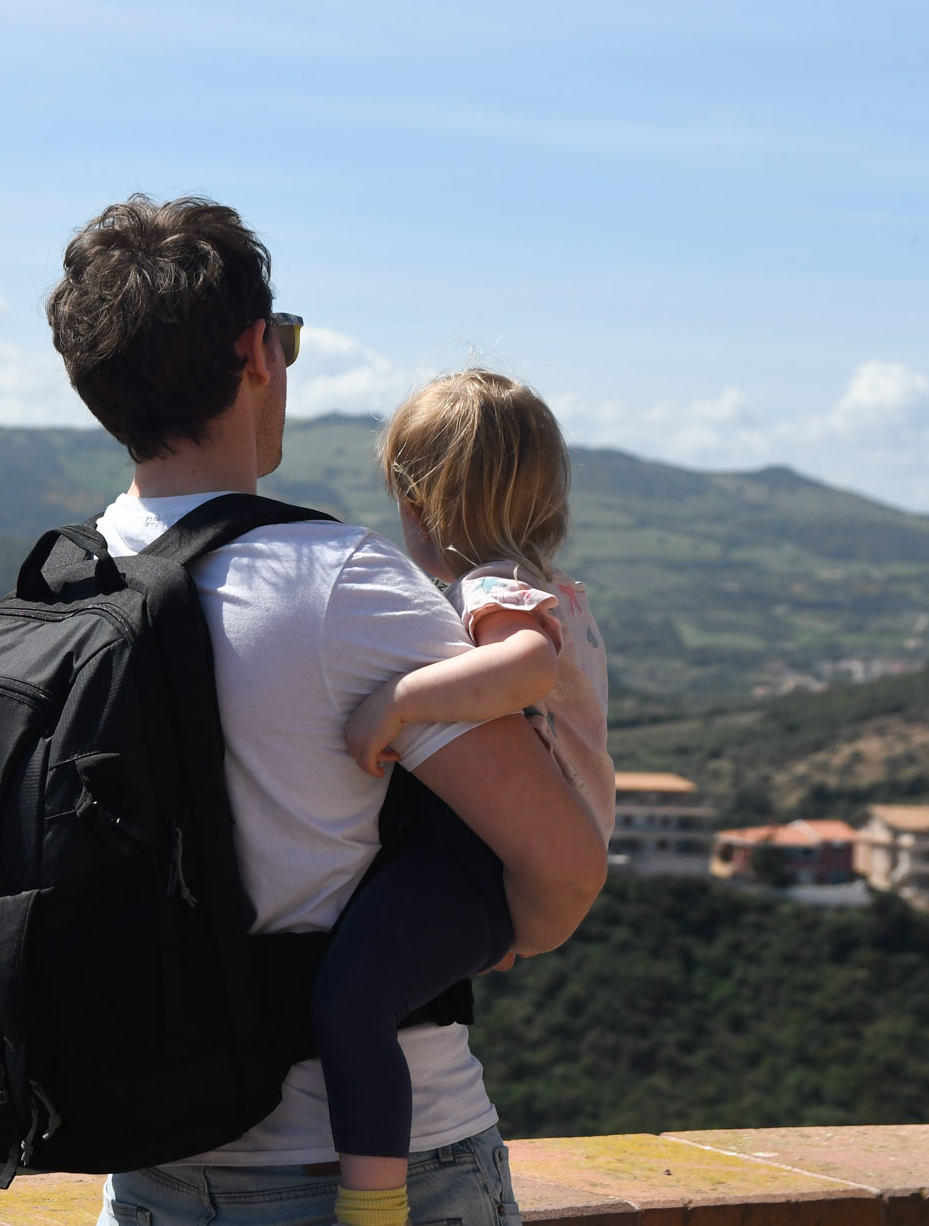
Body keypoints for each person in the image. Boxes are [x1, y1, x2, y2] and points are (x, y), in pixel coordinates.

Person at [43, 195, 608, 1226]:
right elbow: (565, 867)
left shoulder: (67, 585)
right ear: (256, 352)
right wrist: (511, 926)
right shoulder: (348, 586)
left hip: (150, 1162)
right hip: (373, 1166)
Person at [316, 370, 617, 1224]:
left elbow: (525, 668)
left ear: (418, 505)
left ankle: (372, 1207)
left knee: (352, 998)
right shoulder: (550, 588)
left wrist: (401, 700)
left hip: (488, 861)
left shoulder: (493, 589)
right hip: (511, 864)